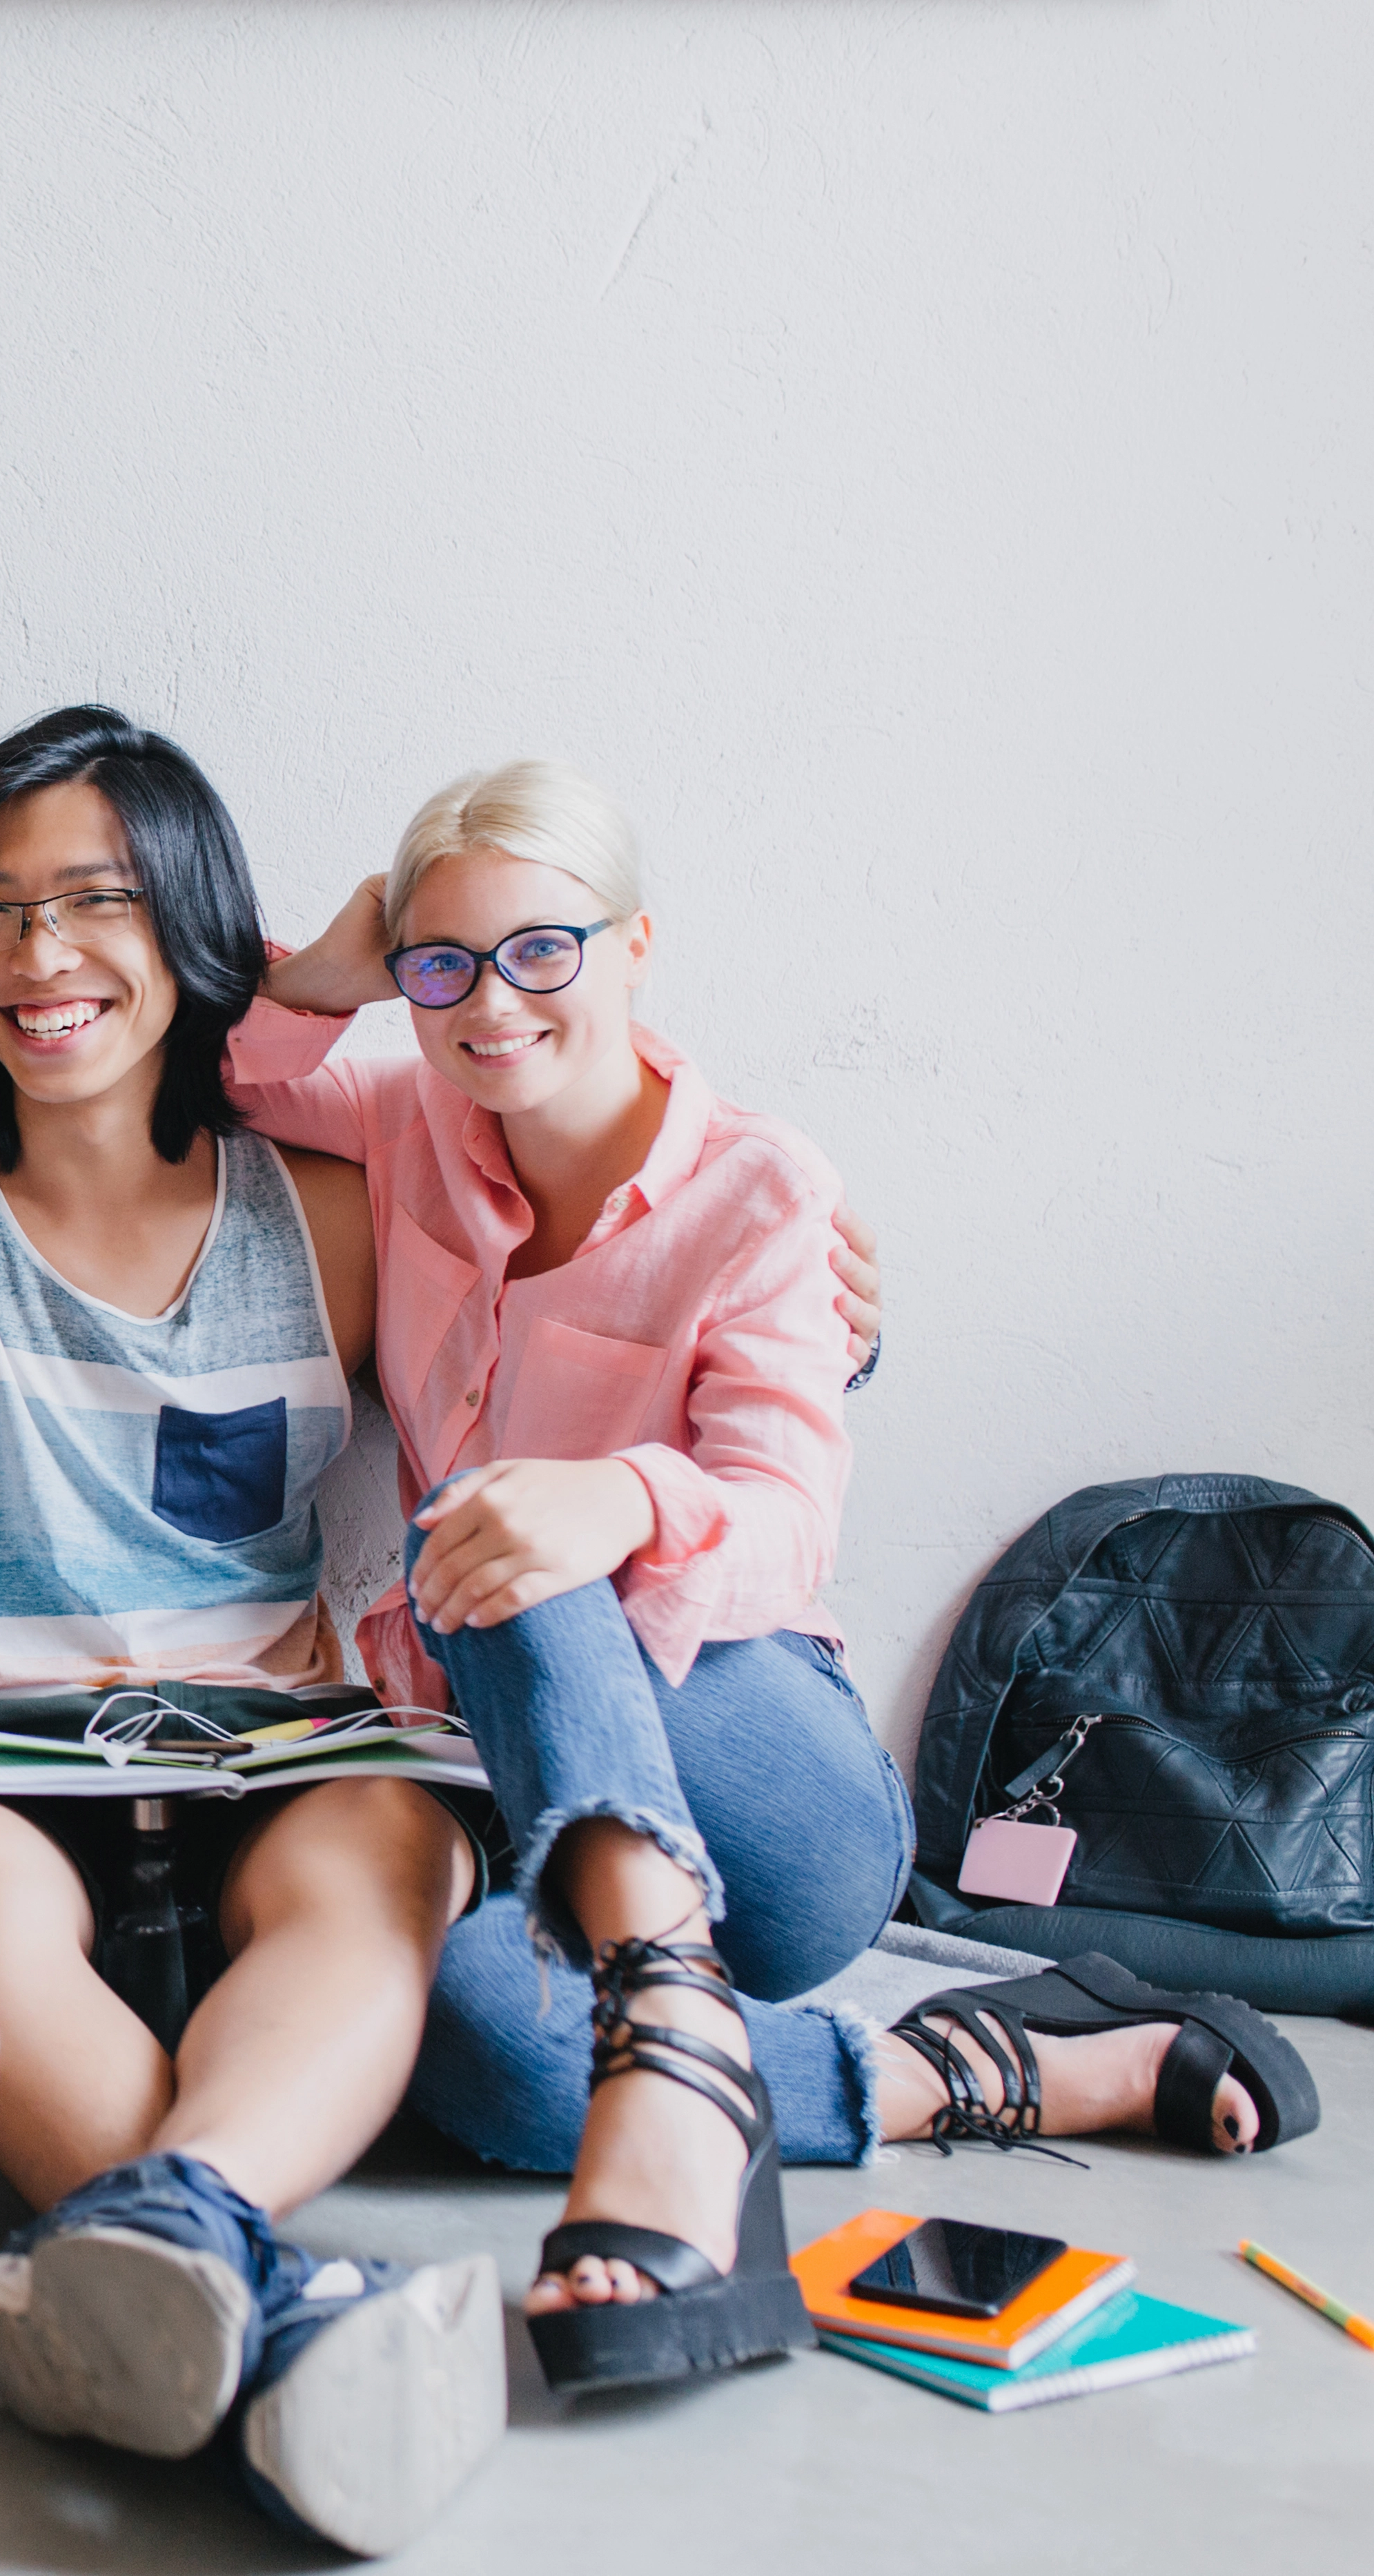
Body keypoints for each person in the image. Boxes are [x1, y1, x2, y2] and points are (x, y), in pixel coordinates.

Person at [246, 759, 1286, 2408]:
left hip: (762, 1780)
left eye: (543, 951)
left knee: (499, 1539)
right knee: (479, 2048)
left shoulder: (765, 1189)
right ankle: (971, 2066)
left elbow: (787, 1530)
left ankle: (667, 2008)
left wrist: (621, 1493)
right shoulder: (406, 1117)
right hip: (525, 1787)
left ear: (637, 943)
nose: (490, 1003)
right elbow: (218, 1074)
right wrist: (326, 973)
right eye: (443, 963)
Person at [0, 707, 498, 2555]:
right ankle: (264, 2293)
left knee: (389, 1846)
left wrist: (806, 1267)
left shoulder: (338, 1215)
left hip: (279, 1754)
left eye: (91, 902)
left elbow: (596, 1194)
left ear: (192, 924)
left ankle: (161, 2240)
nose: (37, 957)